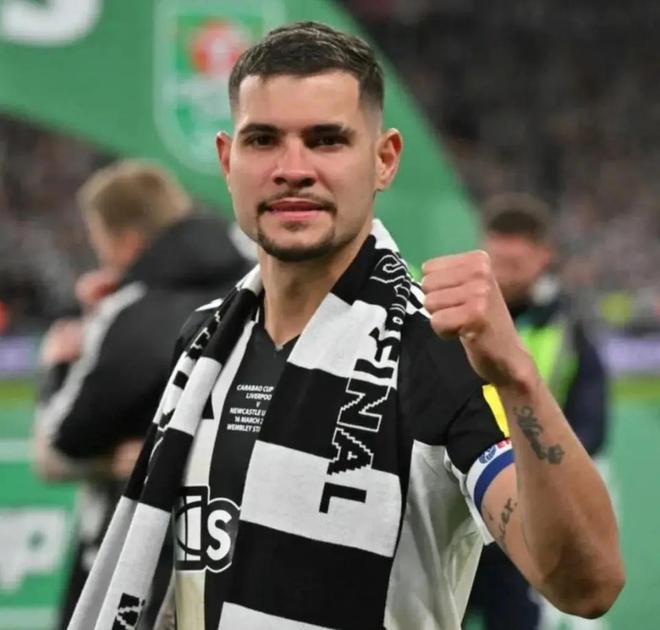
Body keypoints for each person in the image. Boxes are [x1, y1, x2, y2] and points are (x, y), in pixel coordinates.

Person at [68, 23, 623, 630]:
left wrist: (517, 378)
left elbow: (586, 583)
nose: (293, 168)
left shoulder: (433, 354)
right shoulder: (203, 343)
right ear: (228, 160)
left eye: (327, 140)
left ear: (383, 160)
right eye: (263, 140)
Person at [32, 160, 251, 629]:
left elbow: (61, 444)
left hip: (130, 549)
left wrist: (57, 365)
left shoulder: (131, 313)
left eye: (98, 238)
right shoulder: (255, 286)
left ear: (126, 240)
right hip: (230, 545)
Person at [466, 193, 610, 630]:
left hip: (526, 518)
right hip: (453, 507)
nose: (503, 274)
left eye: (515, 264)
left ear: (543, 256)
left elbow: (590, 428)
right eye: (497, 261)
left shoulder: (570, 332)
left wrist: (538, 470)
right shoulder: (452, 319)